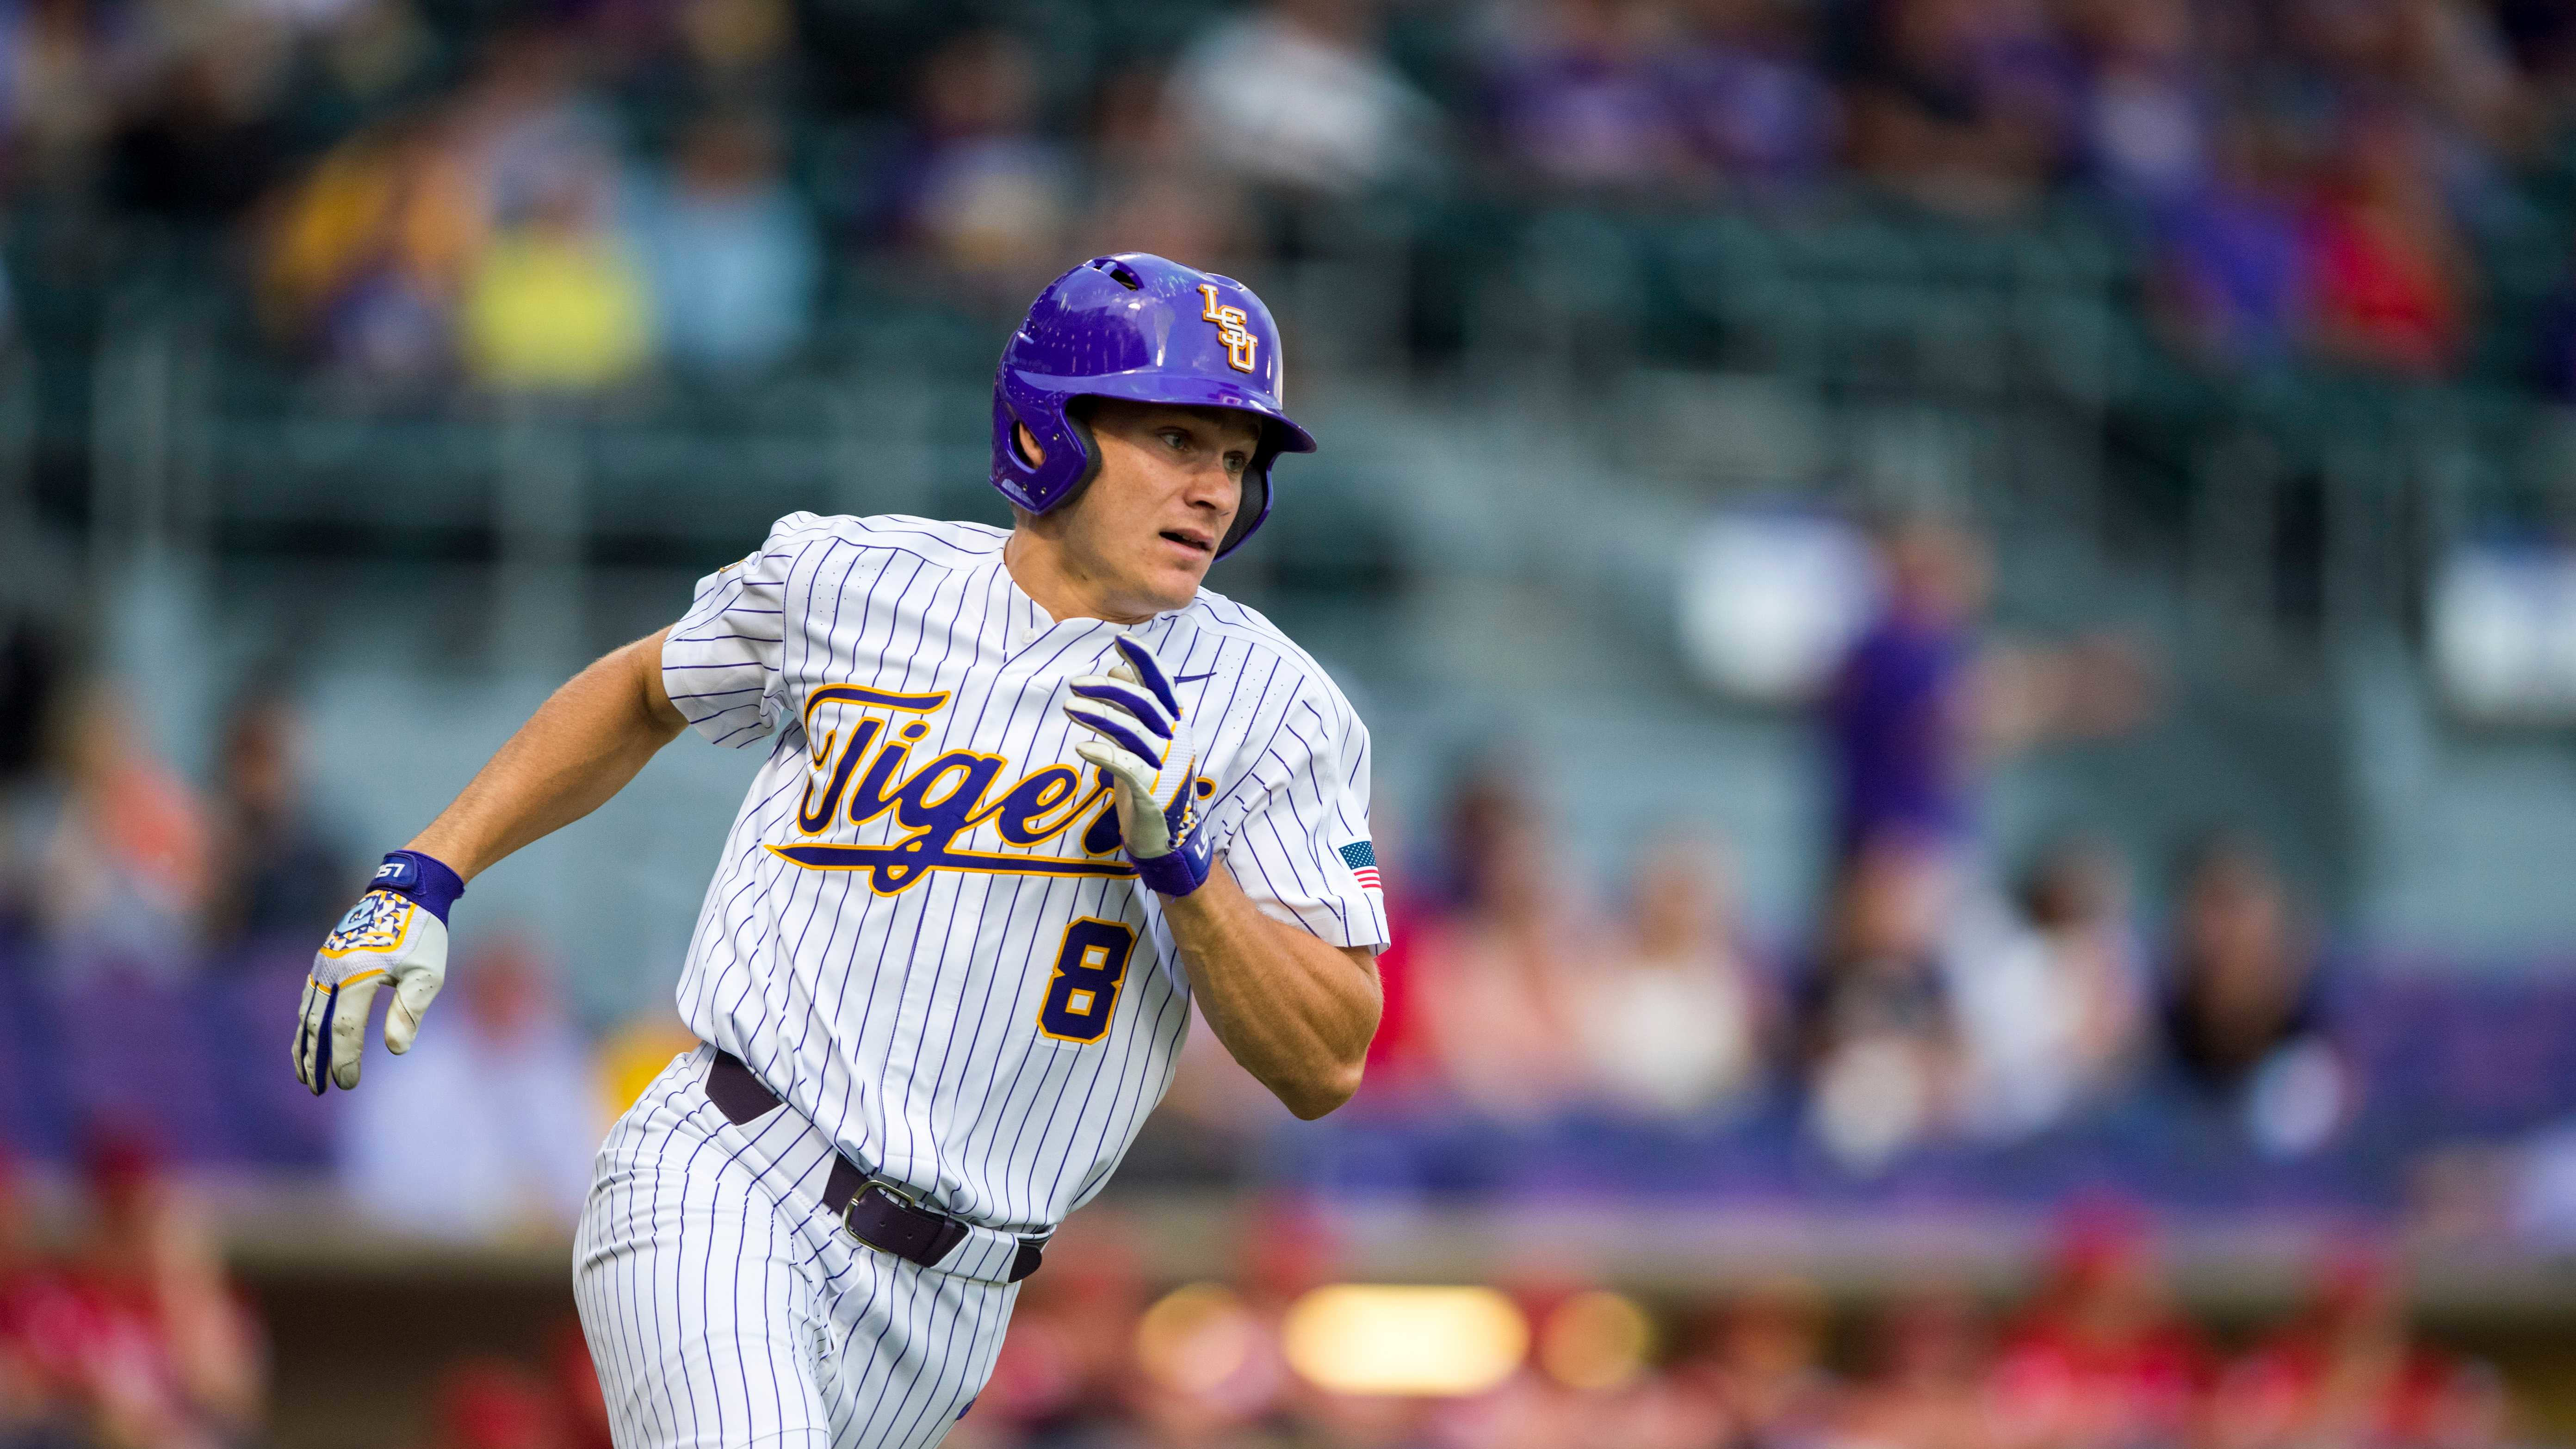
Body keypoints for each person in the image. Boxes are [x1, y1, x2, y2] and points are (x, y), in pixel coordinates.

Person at [293, 253, 1387, 1448]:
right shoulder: (849, 577)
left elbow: (1327, 1057)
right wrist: (427, 868)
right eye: (1178, 438)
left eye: (1237, 458)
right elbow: (642, 690)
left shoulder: (1279, 706)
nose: (1215, 489)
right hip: (730, 1175)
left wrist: (1184, 869)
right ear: (1054, 429)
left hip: (958, 1302)